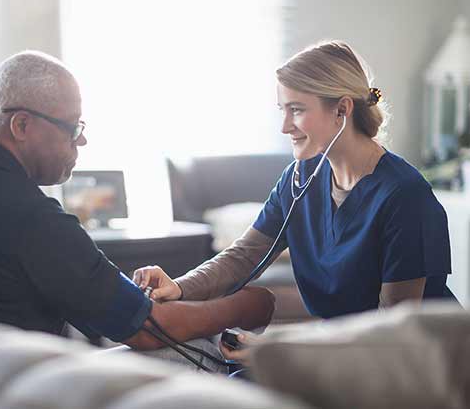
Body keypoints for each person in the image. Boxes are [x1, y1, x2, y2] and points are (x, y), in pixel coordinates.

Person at [0, 51, 275, 354]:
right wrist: (245, 306)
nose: (81, 141)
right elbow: (148, 329)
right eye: (72, 127)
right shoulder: (27, 215)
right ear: (21, 125)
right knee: (201, 353)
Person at [133, 40, 456, 364]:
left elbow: (391, 333)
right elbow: (242, 258)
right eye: (282, 110)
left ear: (342, 110)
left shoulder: (404, 196)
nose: (285, 126)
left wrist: (278, 349)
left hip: (423, 368)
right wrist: (178, 287)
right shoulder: (300, 178)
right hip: (349, 357)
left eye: (297, 110)